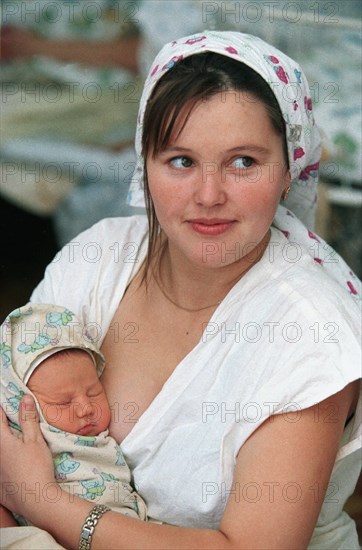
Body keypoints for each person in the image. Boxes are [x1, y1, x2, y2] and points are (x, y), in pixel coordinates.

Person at [1, 30, 361, 550]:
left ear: (289, 172)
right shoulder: (96, 258)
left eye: (244, 162)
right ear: (144, 166)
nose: (208, 195)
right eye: (181, 161)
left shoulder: (311, 333)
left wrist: (45, 503)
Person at [0, 304, 147, 529]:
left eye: (94, 392)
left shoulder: (101, 443)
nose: (85, 409)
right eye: (64, 402)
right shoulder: (16, 448)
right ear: (20, 406)